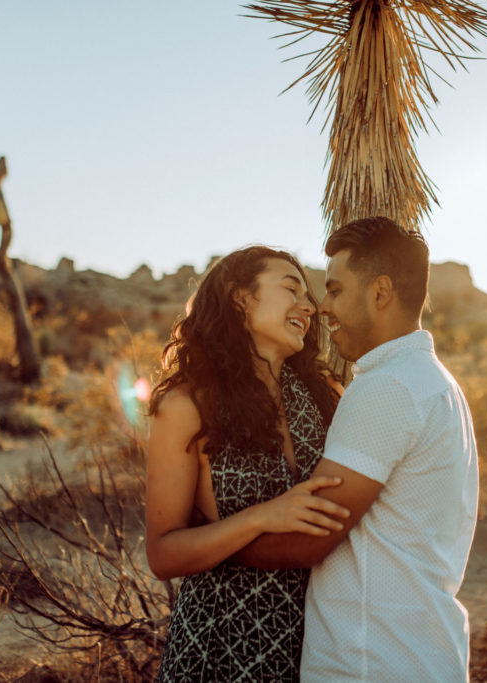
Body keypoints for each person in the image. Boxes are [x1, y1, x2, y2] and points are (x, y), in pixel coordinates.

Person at [233, 217, 480, 681]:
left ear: (380, 292)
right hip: (418, 655)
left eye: (335, 289)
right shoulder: (436, 384)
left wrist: (207, 544)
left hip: (373, 662)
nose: (322, 307)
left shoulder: (388, 388)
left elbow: (311, 535)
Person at [145, 246, 349, 682]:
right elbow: (162, 554)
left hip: (321, 639)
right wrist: (262, 517)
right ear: (241, 298)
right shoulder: (187, 404)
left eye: (308, 295)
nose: (308, 307)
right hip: (221, 642)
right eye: (291, 289)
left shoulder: (324, 393)